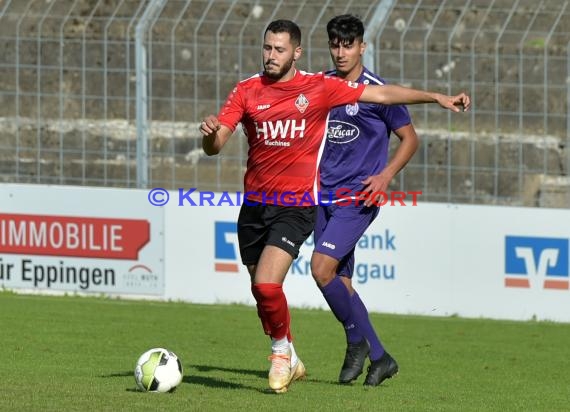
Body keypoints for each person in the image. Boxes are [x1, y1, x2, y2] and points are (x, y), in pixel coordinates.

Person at [200, 19, 470, 394]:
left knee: (304, 273)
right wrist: (212, 138)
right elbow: (217, 144)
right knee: (290, 287)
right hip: (286, 201)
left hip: (325, 202)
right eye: (267, 48)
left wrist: (436, 98)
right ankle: (352, 349)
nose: (270, 55)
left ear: (296, 52)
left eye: (279, 49)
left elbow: (387, 101)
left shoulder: (325, 87)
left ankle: (320, 347)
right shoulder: (267, 88)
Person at [311, 14, 422, 387]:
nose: (341, 52)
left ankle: (357, 342)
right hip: (320, 196)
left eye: (348, 44)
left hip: (357, 197)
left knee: (321, 268)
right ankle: (378, 356)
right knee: (339, 281)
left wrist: (386, 175)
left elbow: (410, 139)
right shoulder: (321, 84)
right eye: (335, 44)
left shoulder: (377, 90)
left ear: (362, 46)